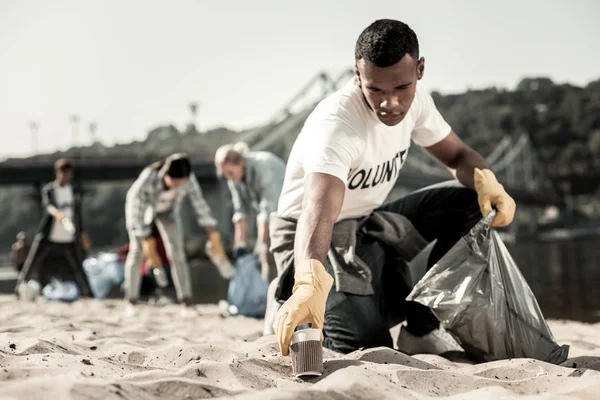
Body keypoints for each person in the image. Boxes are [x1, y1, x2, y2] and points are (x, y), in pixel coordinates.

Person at [270, 19, 517, 357]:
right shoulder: (336, 125)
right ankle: (291, 298)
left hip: (367, 224)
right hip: (309, 237)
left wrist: (491, 183)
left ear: (420, 69)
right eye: (376, 90)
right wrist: (308, 281)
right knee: (365, 345)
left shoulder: (417, 103)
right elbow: (318, 209)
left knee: (470, 202)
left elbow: (458, 155)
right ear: (358, 76)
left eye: (401, 88)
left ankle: (421, 329)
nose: (391, 104)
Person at [123, 152, 230, 317]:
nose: (177, 187)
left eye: (181, 184)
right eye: (174, 183)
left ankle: (186, 301)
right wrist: (144, 235)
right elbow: (135, 206)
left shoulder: (189, 179)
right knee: (137, 252)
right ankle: (131, 301)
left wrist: (209, 225)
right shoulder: (148, 178)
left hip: (169, 213)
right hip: (143, 212)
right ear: (166, 175)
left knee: (177, 253)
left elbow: (198, 201)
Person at [15, 158, 93, 297]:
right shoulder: (50, 189)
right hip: (49, 233)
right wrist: (58, 215)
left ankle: (89, 292)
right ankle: (19, 287)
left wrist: (81, 232)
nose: (65, 177)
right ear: (58, 173)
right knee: (32, 262)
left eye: (68, 174)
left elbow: (77, 213)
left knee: (78, 265)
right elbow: (49, 206)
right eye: (63, 173)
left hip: (69, 235)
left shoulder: (73, 191)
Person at [214, 142, 286, 283]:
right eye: (225, 175)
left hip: (289, 211)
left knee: (268, 252)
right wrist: (239, 246)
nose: (229, 177)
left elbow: (268, 210)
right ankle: (269, 300)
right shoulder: (234, 179)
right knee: (266, 257)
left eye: (230, 173)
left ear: (240, 163)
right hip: (272, 214)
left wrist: (260, 245)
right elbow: (241, 211)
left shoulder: (264, 166)